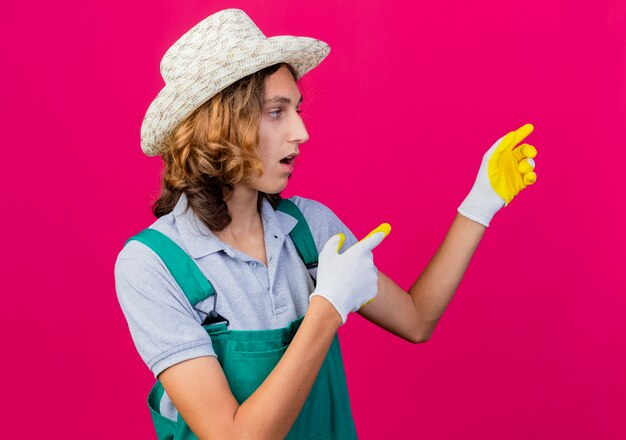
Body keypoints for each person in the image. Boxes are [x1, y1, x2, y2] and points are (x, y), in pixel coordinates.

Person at [114, 8, 539, 440]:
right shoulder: (153, 266)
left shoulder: (308, 230)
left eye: (297, 109)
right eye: (276, 112)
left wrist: (479, 204)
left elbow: (417, 320)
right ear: (220, 127)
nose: (301, 132)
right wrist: (328, 307)